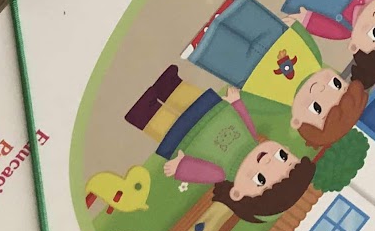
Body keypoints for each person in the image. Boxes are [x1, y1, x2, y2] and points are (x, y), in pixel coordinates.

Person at [179, 0, 362, 150]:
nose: (322, 90)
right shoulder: (315, 61)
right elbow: (308, 44)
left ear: (296, 121)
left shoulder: (280, 105)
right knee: (254, 20)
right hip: (277, 38)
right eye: (336, 85)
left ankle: (202, 46)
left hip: (248, 71)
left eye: (317, 108)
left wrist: (239, 99)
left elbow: (261, 105)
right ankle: (236, 6)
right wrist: (296, 26)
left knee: (224, 54)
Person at [125, 72, 314, 223]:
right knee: (189, 97)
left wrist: (180, 167)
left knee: (164, 123)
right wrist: (236, 103)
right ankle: (171, 86)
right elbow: (246, 123)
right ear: (286, 149)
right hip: (214, 111)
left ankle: (145, 111)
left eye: (260, 179)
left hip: (186, 137)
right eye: (282, 157)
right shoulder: (251, 140)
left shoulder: (221, 173)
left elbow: (200, 171)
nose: (267, 161)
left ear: (237, 192)